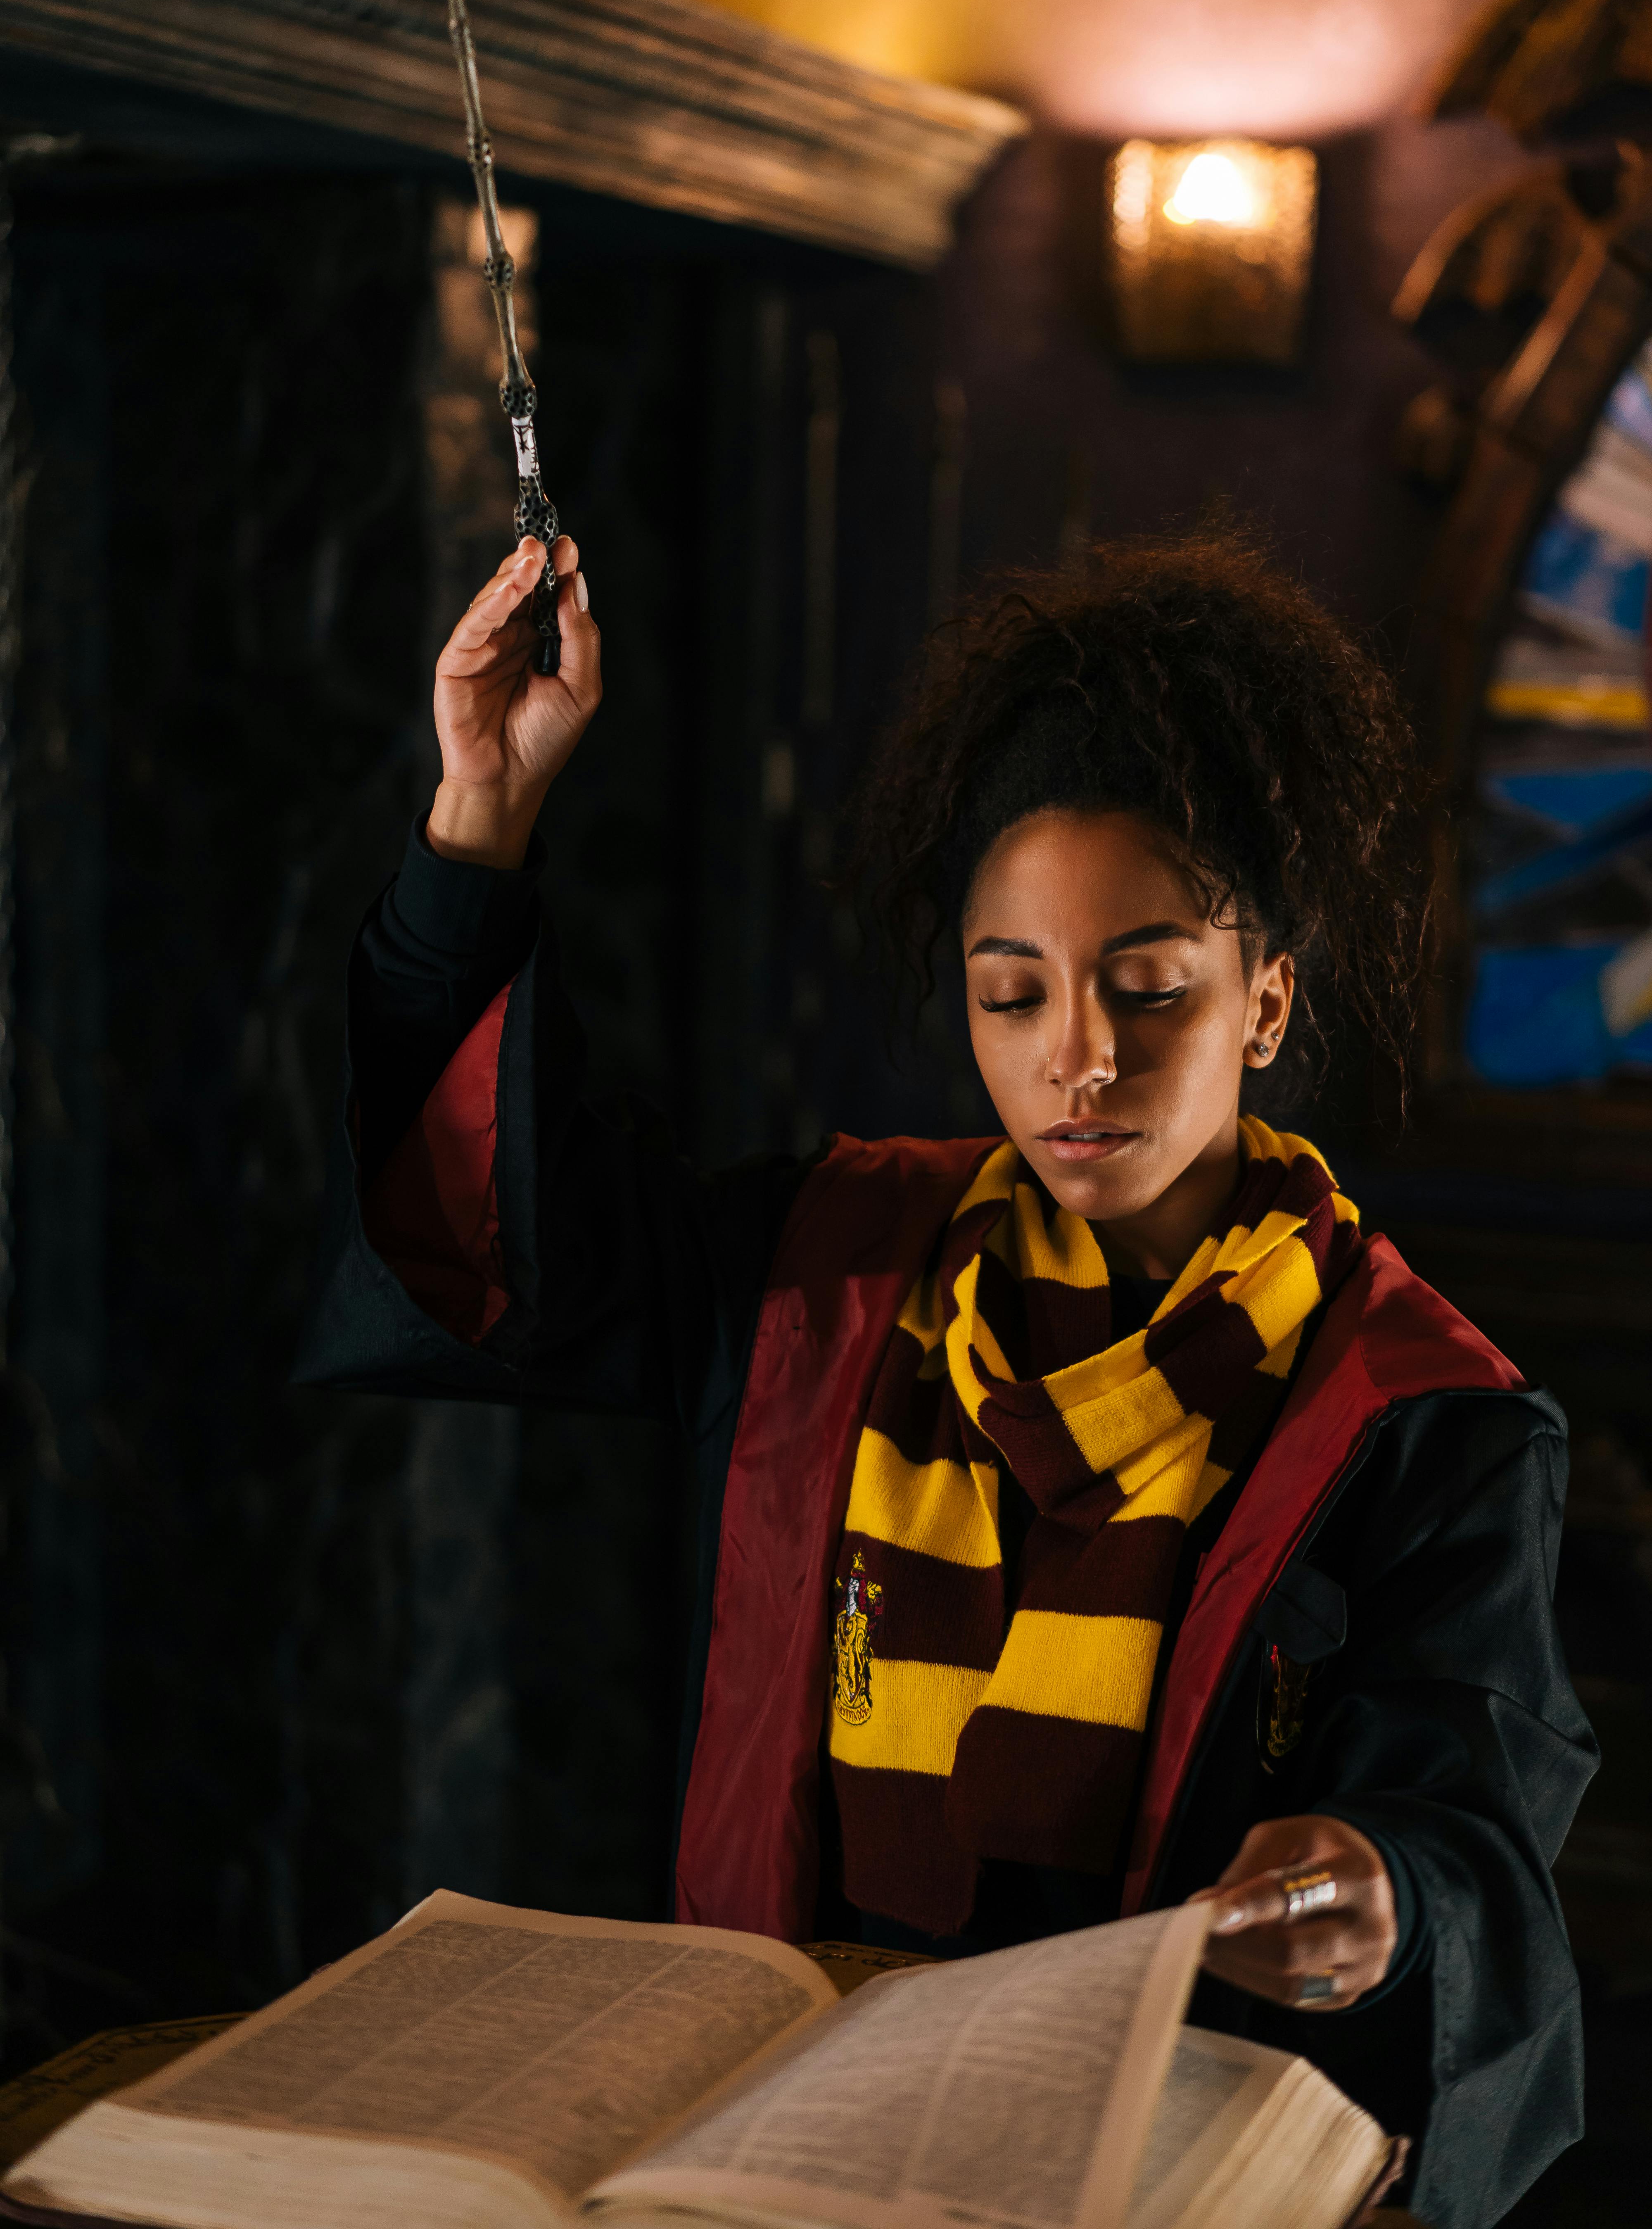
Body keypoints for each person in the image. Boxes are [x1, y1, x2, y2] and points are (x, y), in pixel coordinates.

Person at [297, 525, 1595, 2229]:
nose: (1080, 1057)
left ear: (1267, 1000)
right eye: (1012, 994)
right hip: (783, 2151)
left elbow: (1470, 1836)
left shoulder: (1413, 1412)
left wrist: (1378, 1894)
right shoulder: (820, 1275)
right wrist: (483, 814)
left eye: (1151, 989)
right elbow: (482, 1253)